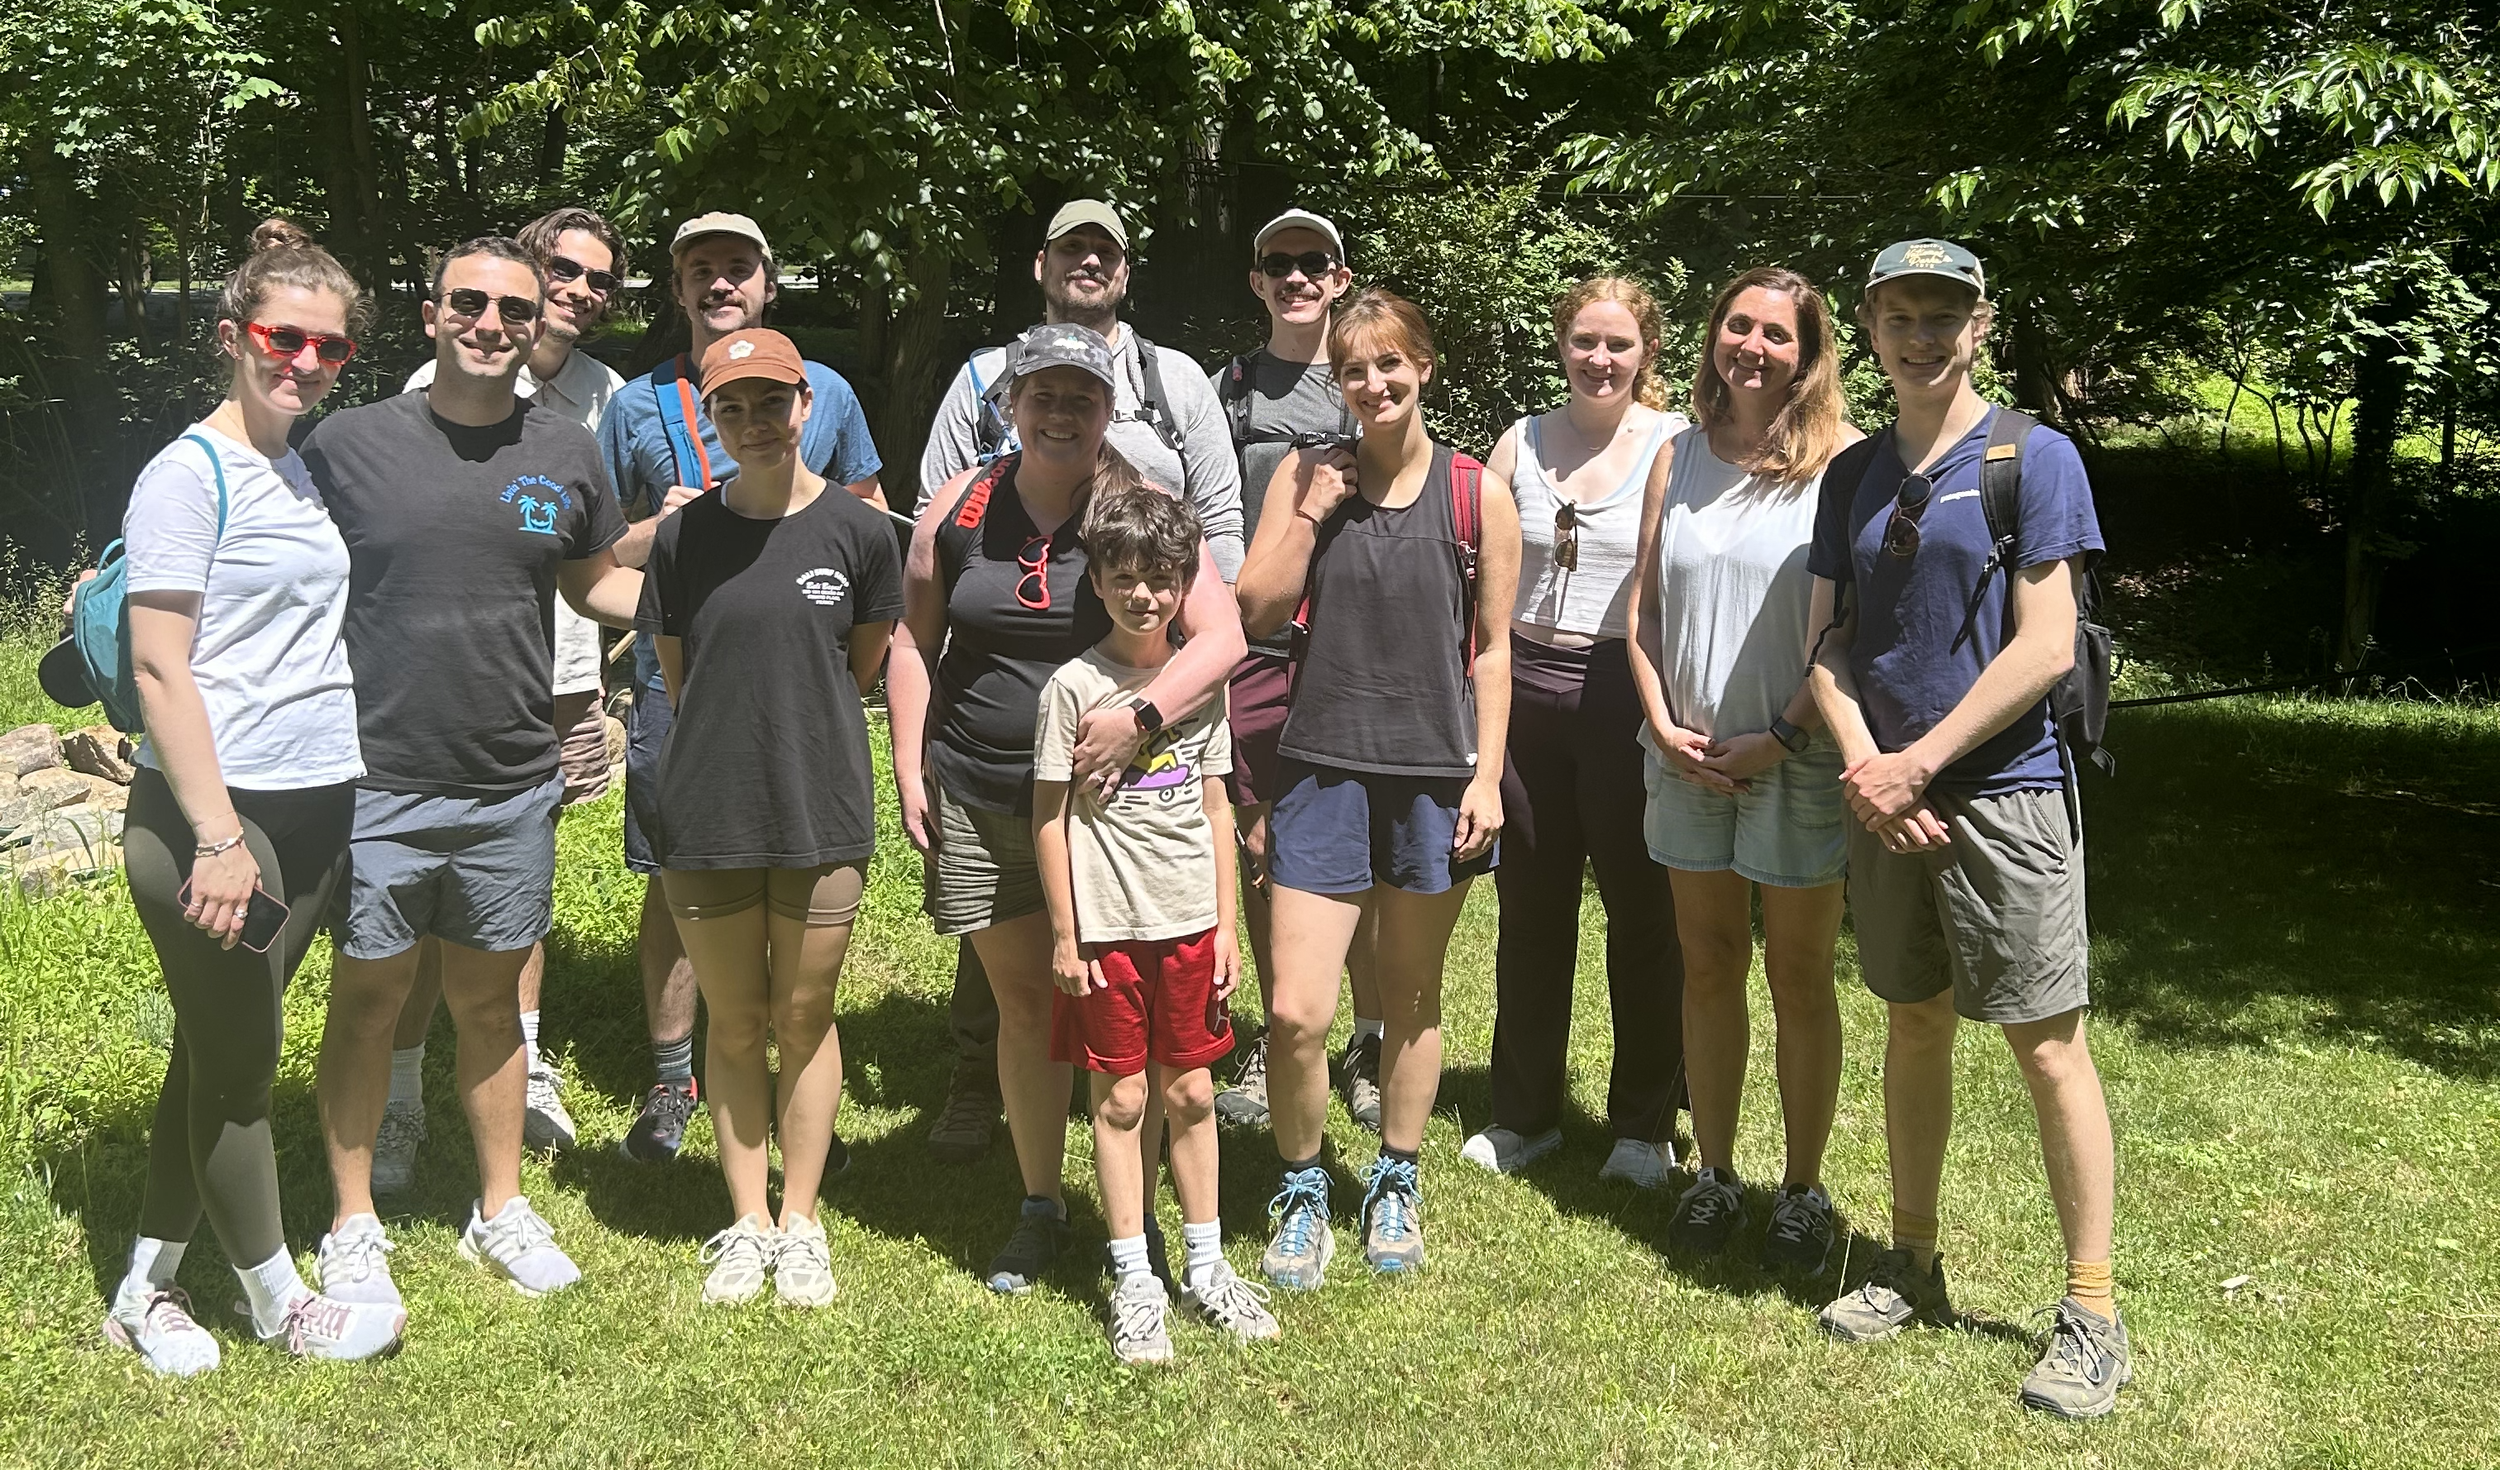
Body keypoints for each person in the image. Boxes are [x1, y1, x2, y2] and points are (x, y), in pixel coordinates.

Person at [1806, 239, 2128, 1419]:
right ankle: (1910, 1261)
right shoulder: (1850, 475)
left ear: (1979, 327)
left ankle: (2091, 1312)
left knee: (2047, 1047)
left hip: (2005, 793)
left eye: (1943, 316)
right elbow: (1825, 647)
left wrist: (1919, 764)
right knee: (1914, 1023)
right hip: (1887, 798)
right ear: (1870, 327)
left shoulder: (2032, 459)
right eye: (1899, 315)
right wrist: (1867, 767)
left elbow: (2045, 646)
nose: (1921, 336)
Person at [88, 221, 404, 1371]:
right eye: (283, 339)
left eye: (331, 348)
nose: (307, 363)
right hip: (218, 823)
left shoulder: (296, 466)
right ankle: (280, 1305)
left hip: (314, 809)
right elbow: (160, 666)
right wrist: (219, 838)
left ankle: (145, 1288)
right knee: (241, 1068)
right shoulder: (189, 474)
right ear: (233, 336)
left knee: (212, 1053)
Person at [308, 236, 643, 1309]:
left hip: (510, 778)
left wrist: (727, 597)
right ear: (431, 314)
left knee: (491, 1005)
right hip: (377, 778)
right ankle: (352, 1220)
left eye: (513, 310)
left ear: (538, 324)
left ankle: (499, 1209)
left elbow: (596, 586)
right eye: (469, 304)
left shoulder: (565, 451)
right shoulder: (348, 444)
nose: (491, 324)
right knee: (369, 997)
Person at [890, 323, 1245, 1294]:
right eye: (1040, 394)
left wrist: (1141, 716)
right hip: (978, 788)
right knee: (1025, 1006)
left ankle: (1141, 1220)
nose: (1060, 412)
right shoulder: (959, 507)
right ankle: (1041, 1204)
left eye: (1081, 397)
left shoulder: (1143, 506)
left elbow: (1221, 639)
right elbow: (914, 640)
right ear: (1010, 405)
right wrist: (909, 763)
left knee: (1111, 1006)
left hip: (1109, 815)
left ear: (1107, 410)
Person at [1236, 289, 1521, 1288]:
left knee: (1411, 995)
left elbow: (1493, 650)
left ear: (1423, 367)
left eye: (1390, 363)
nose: (1374, 384)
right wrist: (1313, 508)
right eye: (1354, 370)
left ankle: (1395, 1178)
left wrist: (1487, 776)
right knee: (1295, 1013)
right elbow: (1255, 607)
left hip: (1434, 779)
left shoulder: (1476, 493)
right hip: (1321, 770)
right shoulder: (1307, 474)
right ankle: (1304, 1187)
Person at [599, 211, 885, 1164]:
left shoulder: (829, 389)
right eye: (701, 270)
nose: (720, 283)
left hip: (800, 687)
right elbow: (602, 549)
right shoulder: (635, 405)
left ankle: (794, 1099)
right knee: (678, 879)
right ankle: (673, 1077)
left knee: (799, 881)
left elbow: (868, 519)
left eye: (738, 267)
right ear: (677, 288)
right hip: (676, 682)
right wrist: (667, 530)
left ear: (768, 280)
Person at [637, 330, 902, 1307]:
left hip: (818, 803)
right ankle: (747, 1221)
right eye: (731, 407)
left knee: (803, 1014)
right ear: (712, 419)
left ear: (806, 405)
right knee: (738, 1018)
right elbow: (683, 680)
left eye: (771, 402)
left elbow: (860, 667)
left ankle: (802, 1221)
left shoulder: (861, 533)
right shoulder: (682, 539)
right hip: (706, 810)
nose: (753, 422)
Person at [381, 205, 634, 1185]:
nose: (579, 290)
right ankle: (402, 1089)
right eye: (562, 270)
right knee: (413, 901)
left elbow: (597, 542)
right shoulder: (437, 384)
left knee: (520, 885)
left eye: (598, 279)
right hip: (440, 685)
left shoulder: (605, 397)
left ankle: (523, 1064)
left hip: (561, 671)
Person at [1627, 267, 1857, 1270]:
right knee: (1709, 963)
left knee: (1799, 974)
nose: (1752, 347)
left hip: (1794, 759)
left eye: (1776, 334)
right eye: (1737, 326)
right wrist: (1659, 719)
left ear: (1806, 355)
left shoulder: (1843, 463)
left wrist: (1783, 737)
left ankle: (1801, 1191)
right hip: (1687, 758)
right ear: (1713, 335)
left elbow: (1847, 630)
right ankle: (1714, 1174)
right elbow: (1642, 612)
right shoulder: (1674, 455)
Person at [1034, 484, 1280, 1362]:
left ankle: (1207, 1267)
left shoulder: (1195, 688)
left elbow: (1216, 811)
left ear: (1184, 585)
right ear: (1096, 580)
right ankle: (1135, 1274)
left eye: (1162, 580)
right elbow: (1049, 820)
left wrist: (1227, 929)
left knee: (1191, 1093)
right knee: (1124, 1098)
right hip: (1105, 934)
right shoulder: (1072, 688)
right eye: (1125, 577)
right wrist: (1066, 935)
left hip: (1188, 927)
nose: (1143, 595)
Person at [1459, 276, 1690, 1188]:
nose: (1600, 359)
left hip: (1624, 690)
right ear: (1561, 345)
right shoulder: (1519, 441)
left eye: (1619, 344)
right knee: (1531, 908)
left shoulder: (1676, 443)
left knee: (1644, 912)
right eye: (1585, 341)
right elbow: (1482, 575)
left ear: (1647, 352)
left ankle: (1645, 1126)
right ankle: (1524, 1114)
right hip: (1525, 686)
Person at [1206, 209, 1388, 1135]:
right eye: (1278, 263)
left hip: (1352, 649)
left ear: (1341, 277)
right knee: (1262, 847)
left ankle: (1369, 1041)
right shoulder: (1227, 390)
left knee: (1359, 850)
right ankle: (1281, 1032)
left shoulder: (1369, 379)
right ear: (1256, 281)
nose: (1296, 277)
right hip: (1254, 647)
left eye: (1314, 262)